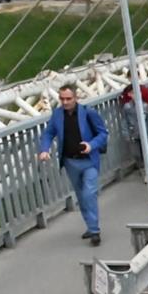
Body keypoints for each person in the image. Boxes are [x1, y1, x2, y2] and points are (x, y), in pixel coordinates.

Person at [37, 84, 108, 246]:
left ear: (76, 98)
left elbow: (103, 133)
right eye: (62, 99)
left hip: (89, 160)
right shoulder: (57, 115)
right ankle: (90, 226)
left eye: (69, 98)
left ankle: (95, 230)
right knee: (82, 195)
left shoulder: (88, 113)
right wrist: (44, 149)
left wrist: (91, 145)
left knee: (89, 193)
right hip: (70, 162)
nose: (65, 102)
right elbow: (48, 133)